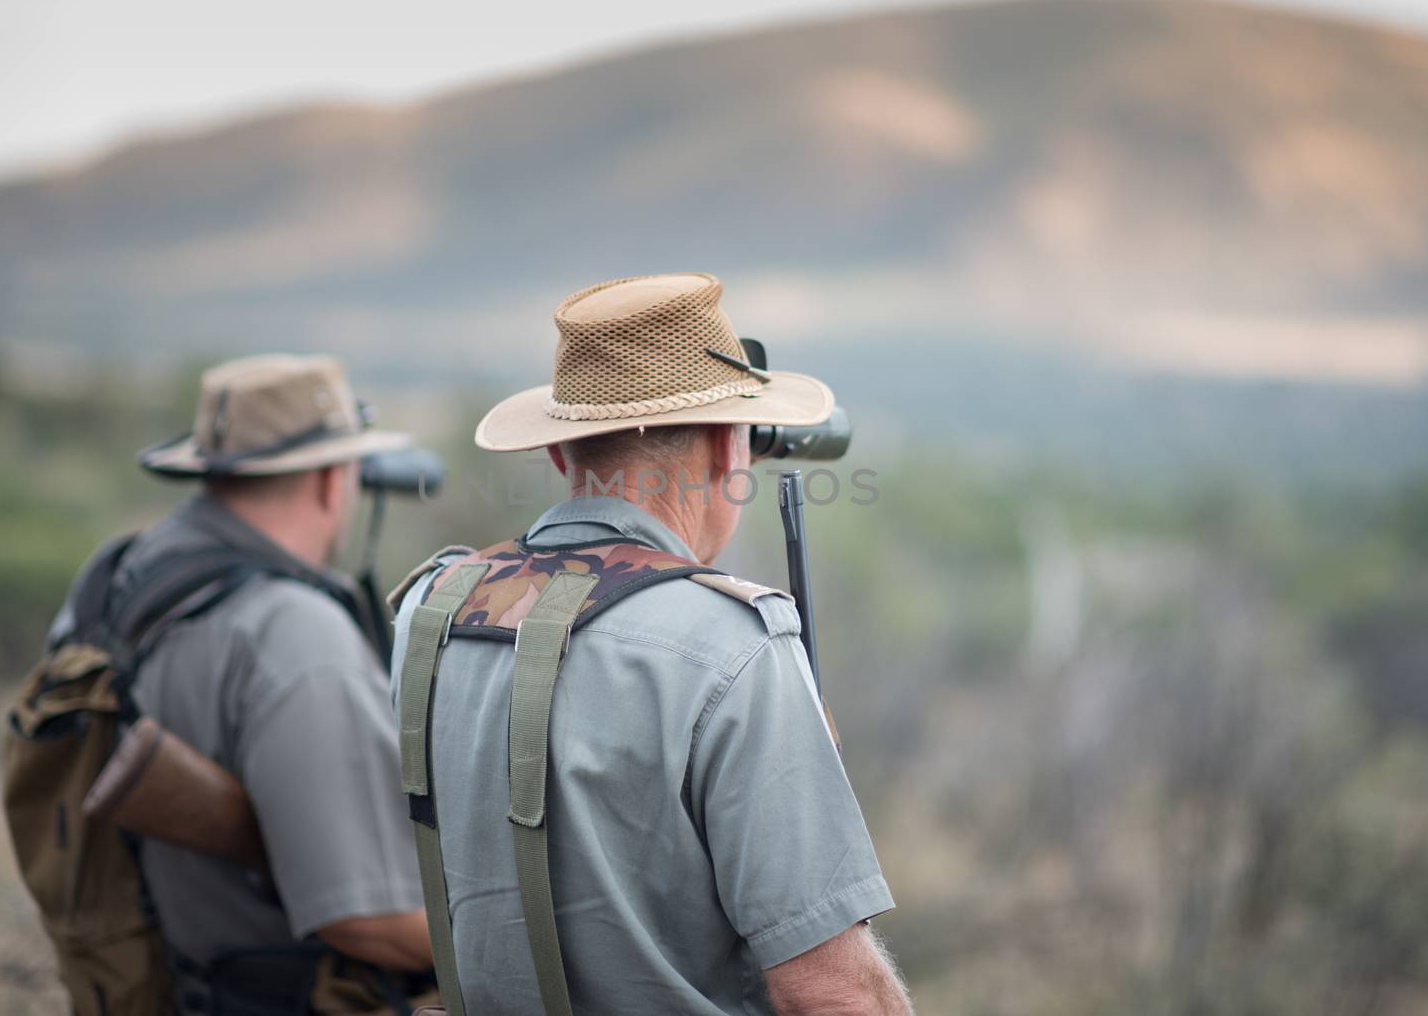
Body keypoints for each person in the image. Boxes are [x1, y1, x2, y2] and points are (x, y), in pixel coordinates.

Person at [391, 274, 912, 1014]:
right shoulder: (732, 646)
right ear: (731, 452)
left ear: (562, 456)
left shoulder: (430, 609)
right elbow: (831, 993)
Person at [56, 354, 434, 1013]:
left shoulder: (119, 582)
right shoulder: (296, 633)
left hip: (151, 987)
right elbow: (367, 919)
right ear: (330, 481)